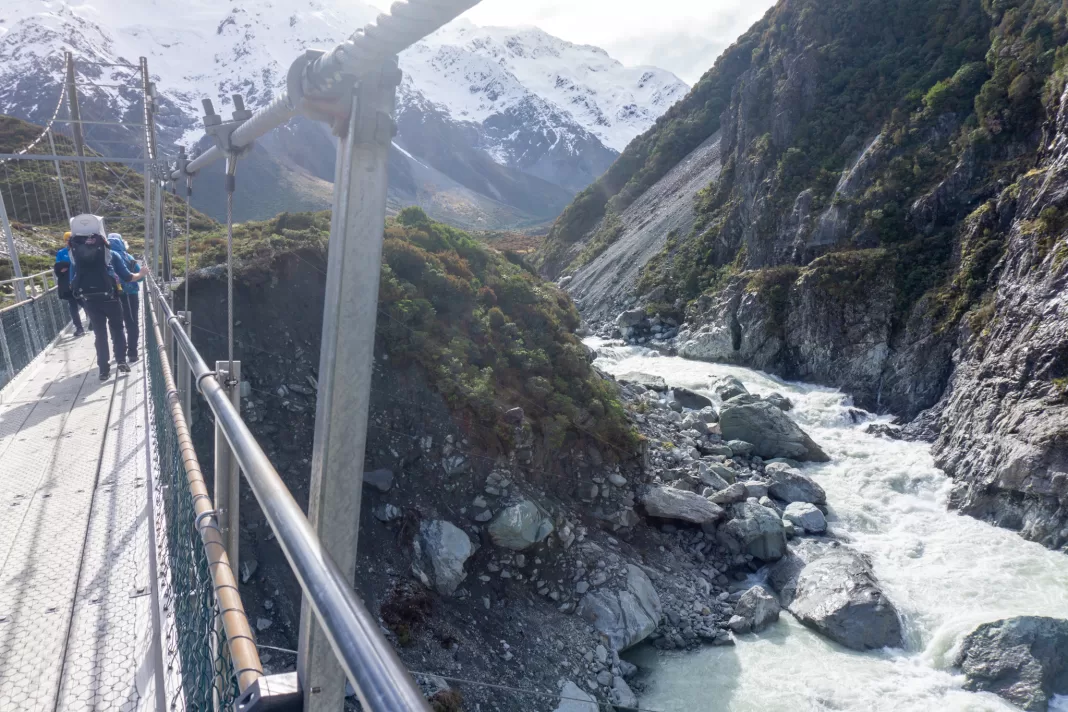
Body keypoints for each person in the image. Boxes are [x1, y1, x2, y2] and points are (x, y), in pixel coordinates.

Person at [70, 228, 145, 380]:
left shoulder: (77, 257)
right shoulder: (112, 254)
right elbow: (128, 277)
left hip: (90, 300)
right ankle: (121, 360)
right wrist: (142, 273)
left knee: (100, 334)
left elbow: (72, 282)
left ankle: (103, 370)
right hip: (111, 298)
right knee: (117, 329)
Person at [108, 234, 141, 363]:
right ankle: (132, 353)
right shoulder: (128, 257)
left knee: (115, 324)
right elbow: (141, 277)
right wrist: (142, 273)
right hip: (130, 293)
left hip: (111, 295)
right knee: (131, 322)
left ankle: (118, 351)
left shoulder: (104, 256)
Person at [53, 234, 85, 336]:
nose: (68, 241)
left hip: (81, 281)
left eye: (70, 239)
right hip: (68, 283)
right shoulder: (61, 252)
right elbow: (59, 267)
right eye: (67, 239)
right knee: (73, 306)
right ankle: (79, 328)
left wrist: (68, 266)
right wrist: (69, 266)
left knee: (84, 302)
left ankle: (93, 321)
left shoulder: (80, 250)